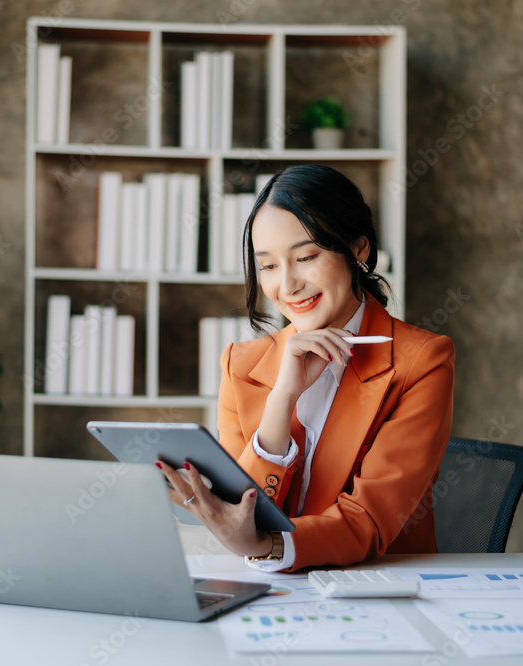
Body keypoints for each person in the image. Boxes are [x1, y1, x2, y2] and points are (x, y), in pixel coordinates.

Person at [158, 164, 454, 571]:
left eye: (306, 256)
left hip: (380, 590)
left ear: (359, 249)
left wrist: (268, 547)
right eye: (268, 266)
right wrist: (282, 398)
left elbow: (368, 520)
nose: (288, 285)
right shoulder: (241, 365)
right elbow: (240, 511)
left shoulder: (421, 360)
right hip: (272, 591)